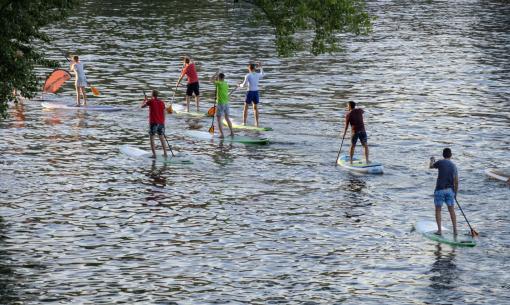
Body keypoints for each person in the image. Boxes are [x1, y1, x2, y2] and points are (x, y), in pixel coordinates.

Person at [429, 148, 458, 236]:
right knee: (451, 210)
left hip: (440, 190)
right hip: (450, 191)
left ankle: (439, 231)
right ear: (451, 155)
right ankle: (455, 230)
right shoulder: (454, 166)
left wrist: (431, 160)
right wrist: (455, 193)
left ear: (443, 155)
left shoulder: (440, 162)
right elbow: (456, 181)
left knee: (438, 210)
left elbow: (431, 166)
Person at [141, 90, 168, 158]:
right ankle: (165, 153)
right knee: (162, 138)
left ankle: (154, 155)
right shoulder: (162, 102)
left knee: (152, 139)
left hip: (153, 123)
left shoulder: (150, 101)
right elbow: (164, 112)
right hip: (161, 123)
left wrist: (144, 100)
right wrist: (163, 122)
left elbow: (142, 106)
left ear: (152, 95)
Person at [239, 62, 263, 127]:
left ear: (249, 68)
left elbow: (243, 85)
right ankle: (257, 123)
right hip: (256, 92)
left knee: (245, 108)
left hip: (250, 92)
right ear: (254, 68)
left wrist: (239, 85)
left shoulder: (248, 75)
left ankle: (244, 123)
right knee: (255, 108)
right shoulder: (258, 75)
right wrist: (261, 67)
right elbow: (262, 74)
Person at [211, 72, 234, 138]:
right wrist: (217, 78)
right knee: (227, 118)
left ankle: (222, 134)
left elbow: (211, 80)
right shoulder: (226, 84)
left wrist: (215, 74)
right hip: (226, 103)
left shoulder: (219, 83)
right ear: (223, 78)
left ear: (219, 78)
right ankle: (232, 133)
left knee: (219, 119)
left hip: (220, 103)